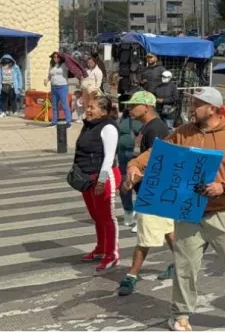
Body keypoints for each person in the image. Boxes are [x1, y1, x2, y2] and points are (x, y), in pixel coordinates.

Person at [125, 87, 225, 332]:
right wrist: (135, 164)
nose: (191, 108)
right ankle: (180, 315)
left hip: (222, 212)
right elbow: (158, 153)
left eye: (197, 104)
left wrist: (223, 186)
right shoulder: (183, 132)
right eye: (192, 103)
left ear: (212, 108)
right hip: (188, 211)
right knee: (185, 266)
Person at [117, 91, 174, 296]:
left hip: (154, 189)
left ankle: (132, 274)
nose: (129, 109)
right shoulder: (147, 127)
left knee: (145, 234)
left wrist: (132, 181)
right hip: (150, 187)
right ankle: (182, 264)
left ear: (147, 107)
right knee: (168, 230)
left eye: (134, 105)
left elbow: (159, 161)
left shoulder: (156, 128)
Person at [73, 93, 121, 273]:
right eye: (88, 106)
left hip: (104, 177)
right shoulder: (88, 125)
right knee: (96, 216)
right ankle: (101, 248)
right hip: (87, 177)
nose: (88, 110)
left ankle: (112, 253)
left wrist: (101, 181)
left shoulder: (108, 128)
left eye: (92, 107)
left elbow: (109, 157)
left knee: (107, 217)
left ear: (104, 111)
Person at [117, 104, 142, 230]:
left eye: (133, 107)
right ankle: (128, 211)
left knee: (138, 186)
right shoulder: (122, 120)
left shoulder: (142, 123)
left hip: (136, 156)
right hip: (122, 155)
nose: (130, 109)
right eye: (129, 107)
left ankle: (138, 217)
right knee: (123, 184)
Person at [45, 51, 73, 127]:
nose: (56, 58)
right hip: (53, 87)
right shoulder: (51, 65)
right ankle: (54, 122)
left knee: (64, 105)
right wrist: (46, 80)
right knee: (54, 106)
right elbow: (49, 75)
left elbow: (71, 65)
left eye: (57, 57)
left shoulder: (64, 65)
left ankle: (69, 122)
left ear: (60, 58)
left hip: (62, 86)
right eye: (54, 57)